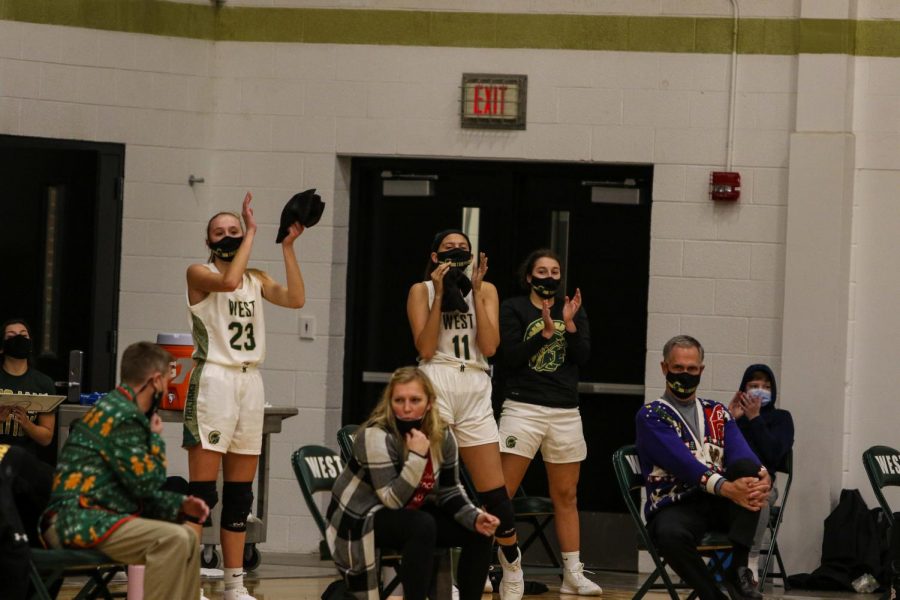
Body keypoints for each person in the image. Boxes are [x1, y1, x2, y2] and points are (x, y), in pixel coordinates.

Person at [184, 191, 305, 600]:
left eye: (233, 229)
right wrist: (253, 230)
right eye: (220, 231)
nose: (228, 235)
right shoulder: (199, 273)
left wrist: (287, 247)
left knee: (239, 496)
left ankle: (235, 584)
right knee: (203, 493)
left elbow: (296, 299)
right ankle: (188, 582)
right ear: (208, 241)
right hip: (214, 380)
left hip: (251, 382)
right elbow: (228, 280)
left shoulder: (257, 278)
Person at [40, 341, 209, 600]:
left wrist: (181, 505)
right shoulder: (124, 417)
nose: (166, 389)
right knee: (173, 539)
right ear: (154, 381)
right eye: (165, 381)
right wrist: (154, 439)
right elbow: (148, 485)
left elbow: (135, 490)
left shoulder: (115, 408)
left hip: (88, 516)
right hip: (75, 521)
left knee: (186, 536)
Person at [407, 229, 525, 600]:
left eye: (463, 249)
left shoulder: (485, 290)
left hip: (474, 383)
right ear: (434, 256)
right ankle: (441, 578)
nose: (457, 252)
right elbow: (425, 348)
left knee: (495, 493)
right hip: (436, 380)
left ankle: (510, 563)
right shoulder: (420, 290)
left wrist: (473, 290)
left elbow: (489, 346)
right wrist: (442, 293)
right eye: (449, 249)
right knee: (433, 485)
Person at [327, 366, 500, 600]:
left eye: (415, 400)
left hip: (412, 511)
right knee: (422, 524)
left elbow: (449, 491)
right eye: (399, 400)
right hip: (361, 517)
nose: (407, 408)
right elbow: (391, 499)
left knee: (480, 531)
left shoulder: (442, 434)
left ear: (429, 403)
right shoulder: (375, 435)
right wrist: (417, 457)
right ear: (390, 403)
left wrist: (475, 516)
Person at [497, 249, 601, 595]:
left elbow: (582, 357)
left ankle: (572, 574)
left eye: (555, 271)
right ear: (529, 276)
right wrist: (541, 335)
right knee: (501, 494)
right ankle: (487, 567)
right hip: (523, 407)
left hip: (565, 411)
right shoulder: (513, 308)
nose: (549, 276)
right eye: (542, 270)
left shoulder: (572, 307)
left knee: (566, 494)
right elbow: (507, 358)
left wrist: (568, 324)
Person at [635, 335, 771, 600]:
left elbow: (742, 452)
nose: (685, 375)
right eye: (678, 369)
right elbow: (684, 464)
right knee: (669, 534)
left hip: (717, 502)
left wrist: (762, 475)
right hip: (675, 506)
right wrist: (725, 487)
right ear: (664, 368)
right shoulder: (651, 415)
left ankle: (738, 570)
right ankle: (711, 595)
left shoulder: (717, 412)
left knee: (750, 472)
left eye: (692, 369)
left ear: (701, 370)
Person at [728, 364, 794, 582]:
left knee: (759, 498)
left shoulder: (782, 418)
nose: (760, 390)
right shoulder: (733, 417)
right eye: (754, 386)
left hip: (766, 484)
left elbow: (774, 454)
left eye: (766, 387)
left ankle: (751, 561)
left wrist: (755, 419)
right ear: (744, 389)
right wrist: (730, 420)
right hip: (731, 484)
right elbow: (716, 452)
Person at [0, 319, 58, 457]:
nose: (18, 339)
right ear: (1, 347)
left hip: (25, 460)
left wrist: (26, 424)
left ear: (30, 344)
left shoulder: (43, 383)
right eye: (11, 336)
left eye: (23, 335)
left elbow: (46, 438)